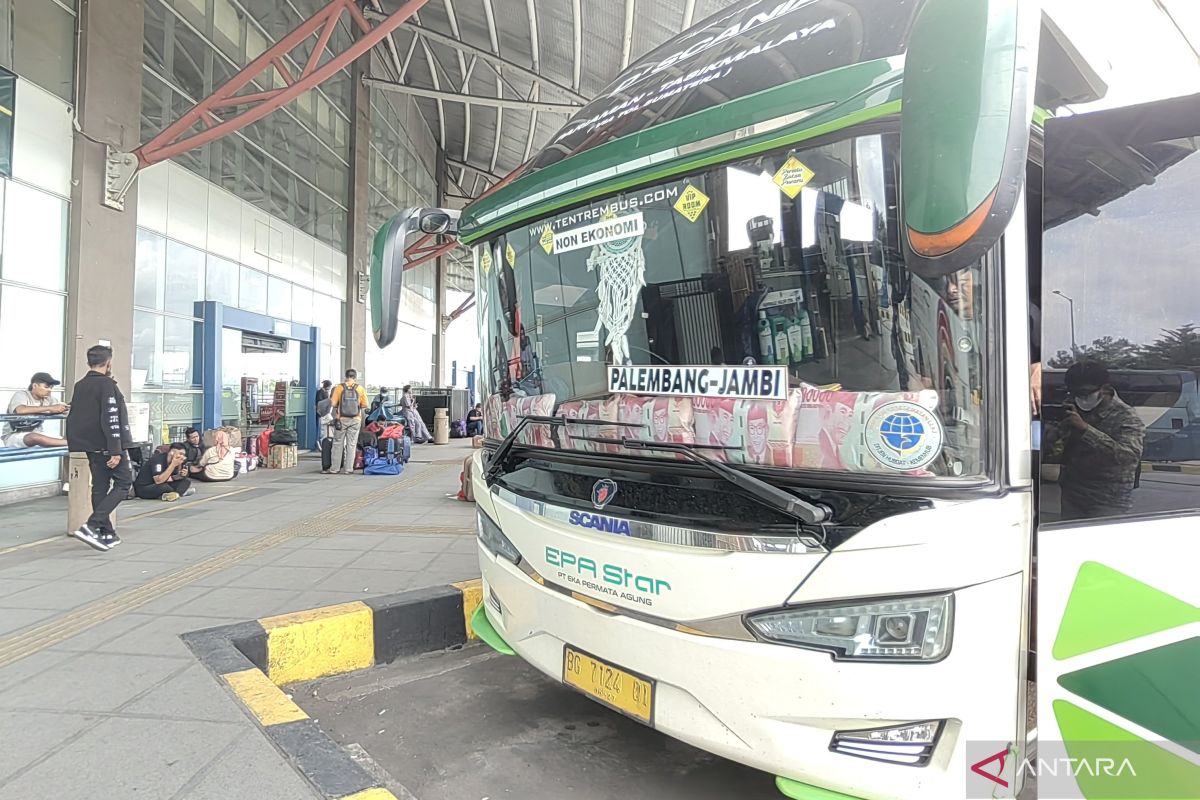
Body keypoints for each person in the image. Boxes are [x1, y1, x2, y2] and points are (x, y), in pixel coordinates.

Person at [1044, 360, 1145, 519]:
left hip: (1107, 500)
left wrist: (1085, 429)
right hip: (1073, 494)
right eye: (1074, 393)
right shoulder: (1072, 407)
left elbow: (1128, 457)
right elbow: (1057, 449)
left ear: (1104, 389)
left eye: (1085, 393)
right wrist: (1052, 435)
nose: (1080, 398)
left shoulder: (1126, 416)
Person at [66, 345, 134, 551]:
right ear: (108, 362)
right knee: (124, 483)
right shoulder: (106, 385)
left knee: (100, 487)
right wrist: (115, 449)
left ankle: (106, 532)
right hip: (108, 446)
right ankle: (93, 525)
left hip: (90, 447)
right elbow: (111, 418)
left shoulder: (80, 385)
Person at [4, 372, 69, 448]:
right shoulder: (21, 395)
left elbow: (62, 407)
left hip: (39, 434)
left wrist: (65, 408)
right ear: (34, 385)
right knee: (34, 437)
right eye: (46, 387)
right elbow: (20, 410)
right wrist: (50, 408)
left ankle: (68, 442)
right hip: (14, 436)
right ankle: (70, 443)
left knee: (39, 437)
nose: (49, 390)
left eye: (51, 387)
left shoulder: (49, 399)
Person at [328, 369, 368, 474]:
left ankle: (335, 468)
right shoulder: (360, 389)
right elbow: (365, 405)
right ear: (355, 377)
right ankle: (349, 469)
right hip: (355, 419)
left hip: (341, 419)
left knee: (337, 443)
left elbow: (332, 403)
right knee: (352, 444)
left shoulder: (339, 388)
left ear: (345, 376)